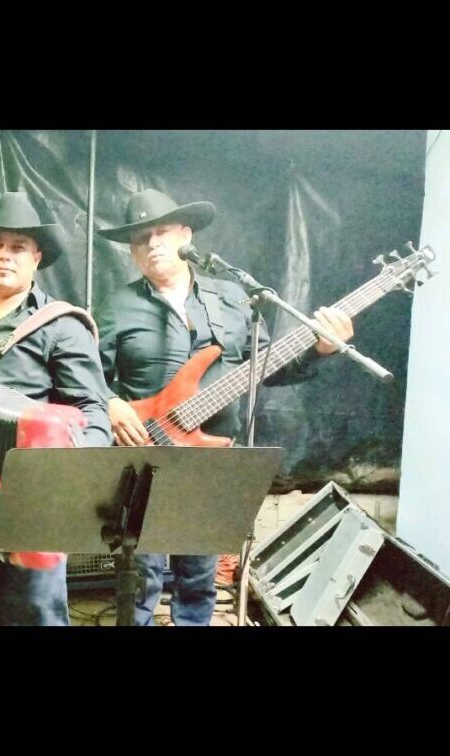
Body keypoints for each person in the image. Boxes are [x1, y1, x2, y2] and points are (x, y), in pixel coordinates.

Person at [97, 188, 354, 626]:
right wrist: (111, 403)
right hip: (143, 453)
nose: (152, 244)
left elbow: (268, 367)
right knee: (142, 574)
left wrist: (319, 349)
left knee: (199, 574)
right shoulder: (115, 307)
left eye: (161, 232)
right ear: (132, 251)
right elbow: (86, 377)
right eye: (141, 238)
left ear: (186, 234)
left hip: (211, 456)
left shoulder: (231, 298)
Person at [0, 190, 112, 626]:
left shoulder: (63, 327)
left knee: (36, 614)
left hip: (35, 502)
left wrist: (64, 486)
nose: (5, 256)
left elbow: (93, 412)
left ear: (36, 258)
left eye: (18, 247)